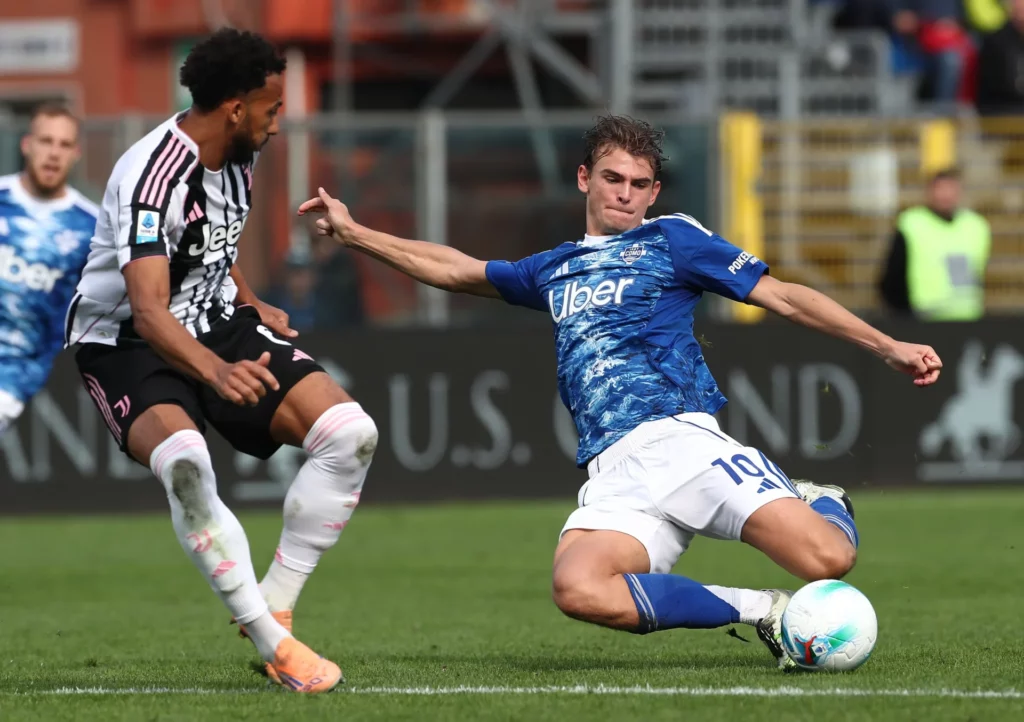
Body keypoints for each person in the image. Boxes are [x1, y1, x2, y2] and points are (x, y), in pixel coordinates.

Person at [300, 115, 942, 669]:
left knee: (828, 560)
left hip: (683, 442)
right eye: (614, 179)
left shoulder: (673, 240)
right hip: (613, 471)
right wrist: (355, 233)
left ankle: (822, 499)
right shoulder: (553, 267)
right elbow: (455, 269)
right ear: (585, 178)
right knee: (578, 589)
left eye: (640, 184)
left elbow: (783, 297)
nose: (626, 195)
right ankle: (765, 613)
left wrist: (887, 345)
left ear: (654, 191)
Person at [64, 29, 377, 693]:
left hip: (214, 319)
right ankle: (275, 644)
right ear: (235, 107)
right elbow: (147, 311)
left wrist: (251, 300)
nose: (277, 118)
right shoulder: (150, 179)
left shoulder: (238, 153)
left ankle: (278, 601)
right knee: (185, 464)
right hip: (124, 341)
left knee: (350, 436)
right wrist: (214, 370)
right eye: (271, 106)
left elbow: (211, 240)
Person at [0, 103, 97, 434]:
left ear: (76, 154)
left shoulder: (92, 227)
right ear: (27, 145)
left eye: (64, 144)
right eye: (46, 141)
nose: (54, 153)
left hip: (13, 376)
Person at [879, 167, 990, 320]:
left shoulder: (976, 226)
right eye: (940, 189)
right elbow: (893, 276)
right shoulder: (911, 223)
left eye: (950, 189)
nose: (945, 195)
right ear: (929, 192)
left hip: (968, 316)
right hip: (923, 317)